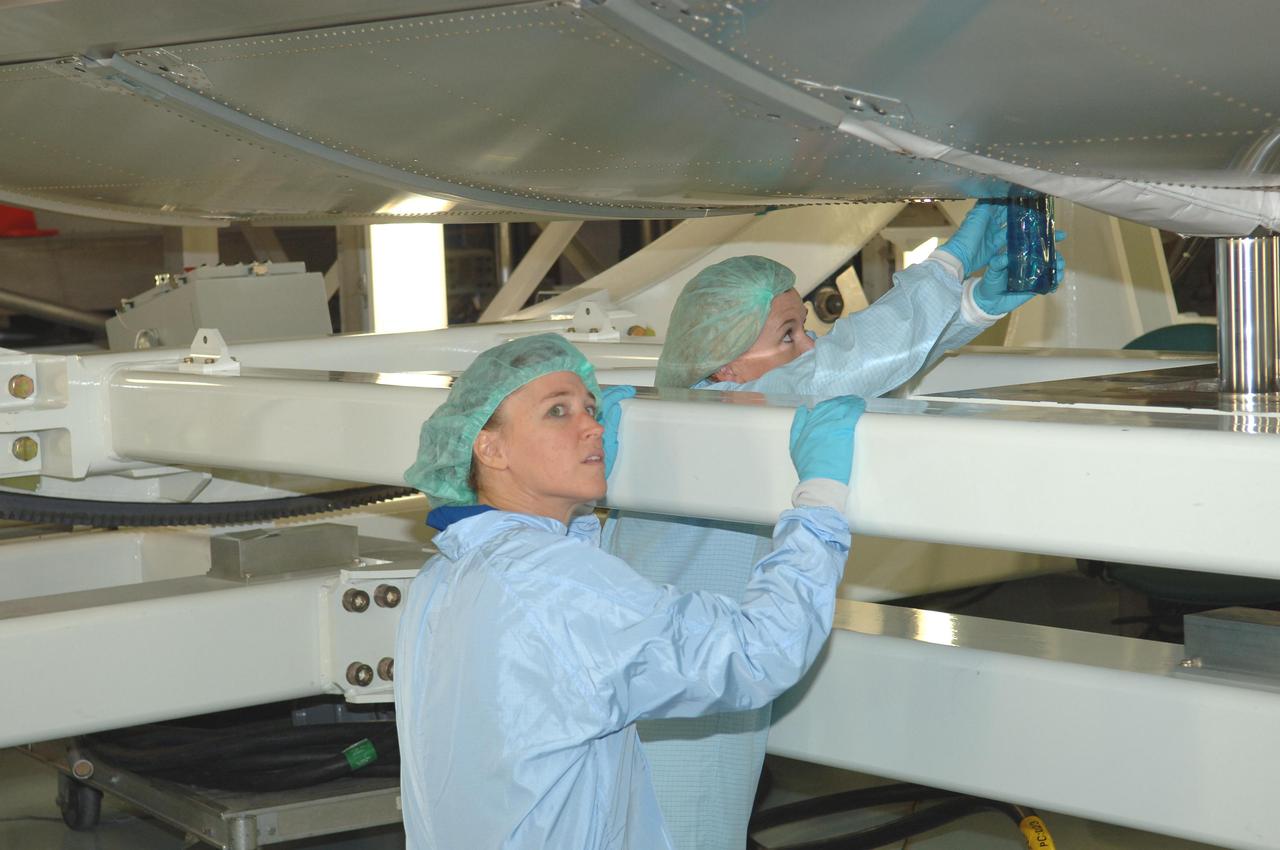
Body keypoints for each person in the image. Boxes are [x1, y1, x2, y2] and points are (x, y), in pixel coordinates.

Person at [602, 202, 1067, 850]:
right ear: (728, 367)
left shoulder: (669, 425)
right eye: (789, 333)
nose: (810, 344)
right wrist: (950, 269)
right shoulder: (728, 416)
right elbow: (844, 366)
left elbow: (855, 364)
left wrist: (972, 308)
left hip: (647, 710)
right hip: (690, 727)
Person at [394, 332, 866, 850]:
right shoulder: (555, 582)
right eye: (558, 411)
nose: (592, 426)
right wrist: (818, 506)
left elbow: (569, 648)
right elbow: (758, 652)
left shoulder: (441, 578)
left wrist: (577, 520)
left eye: (589, 407)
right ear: (491, 447)